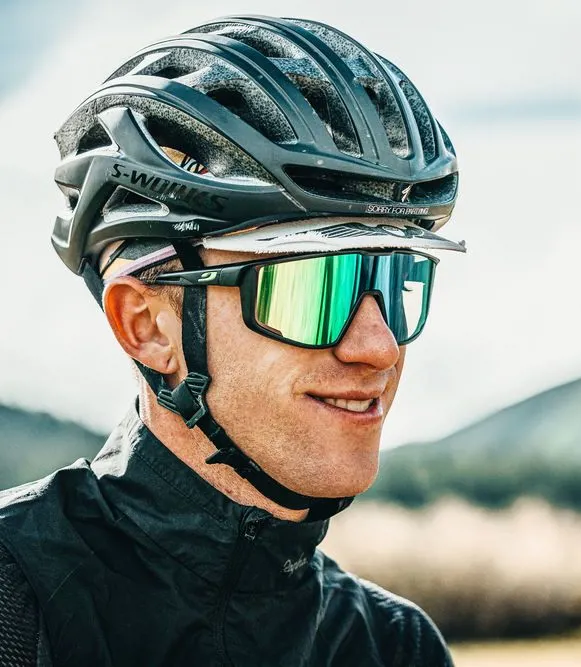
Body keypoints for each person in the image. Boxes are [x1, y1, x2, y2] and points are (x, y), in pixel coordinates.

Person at [0, 15, 462, 666]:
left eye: (395, 278)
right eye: (312, 288)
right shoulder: (13, 604)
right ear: (147, 326)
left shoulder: (395, 646)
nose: (378, 346)